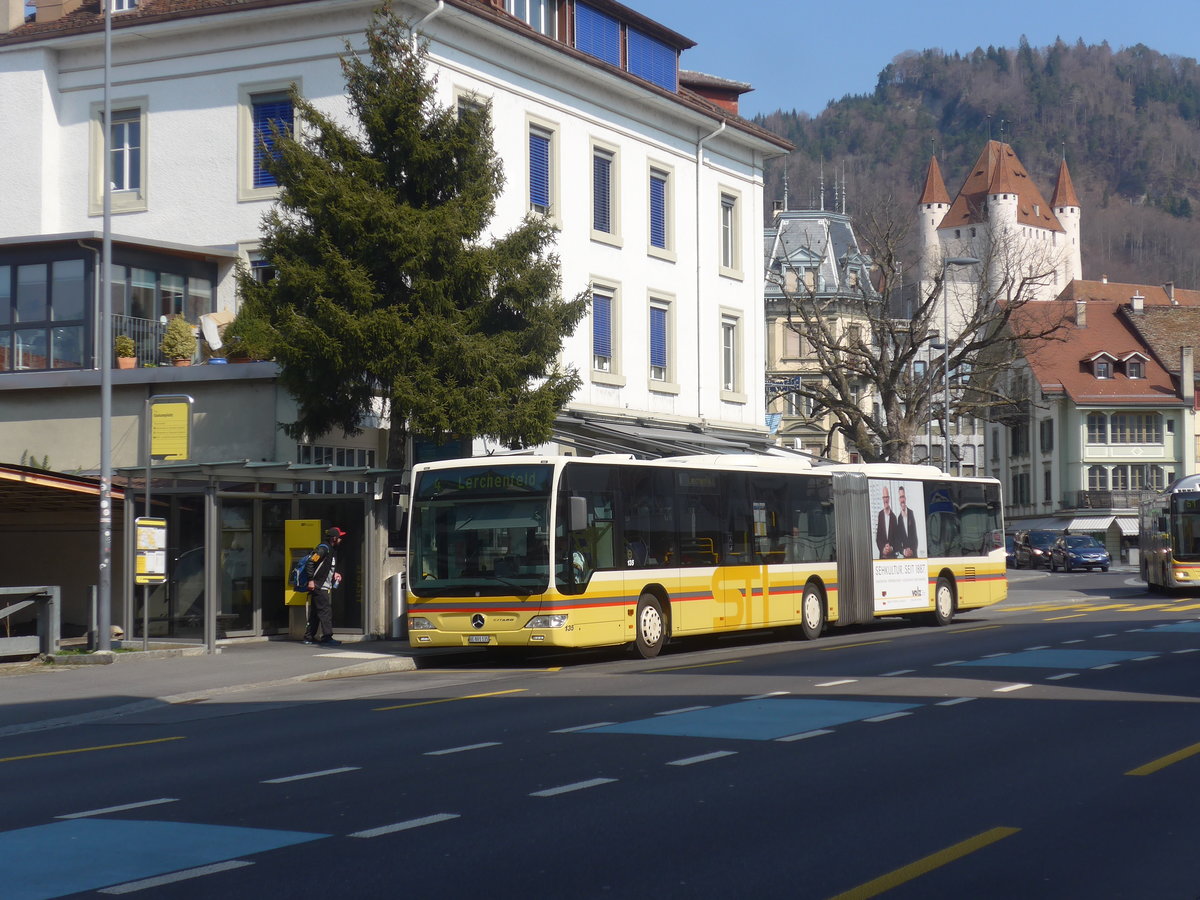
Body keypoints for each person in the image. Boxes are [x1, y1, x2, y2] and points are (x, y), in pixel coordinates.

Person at [302, 526, 346, 646]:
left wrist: (334, 574)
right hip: (318, 586)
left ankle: (309, 637)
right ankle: (327, 637)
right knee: (326, 611)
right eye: (340, 537)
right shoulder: (323, 548)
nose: (341, 539)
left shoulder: (331, 550)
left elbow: (326, 567)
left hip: (322, 585)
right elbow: (311, 562)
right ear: (334, 538)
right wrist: (311, 580)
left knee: (316, 612)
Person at [894, 485, 919, 558]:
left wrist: (912, 551)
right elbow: (898, 541)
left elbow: (915, 536)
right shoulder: (899, 518)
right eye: (900, 497)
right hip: (905, 557)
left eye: (903, 497)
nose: (902, 500)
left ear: (905, 498)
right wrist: (903, 551)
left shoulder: (912, 513)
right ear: (899, 499)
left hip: (914, 555)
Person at [876, 486, 895, 558]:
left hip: (892, 557)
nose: (885, 499)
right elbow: (878, 538)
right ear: (882, 499)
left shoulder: (894, 517)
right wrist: (883, 549)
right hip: (882, 556)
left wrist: (891, 548)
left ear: (889, 498)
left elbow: (896, 539)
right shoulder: (880, 515)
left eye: (886, 497)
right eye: (884, 497)